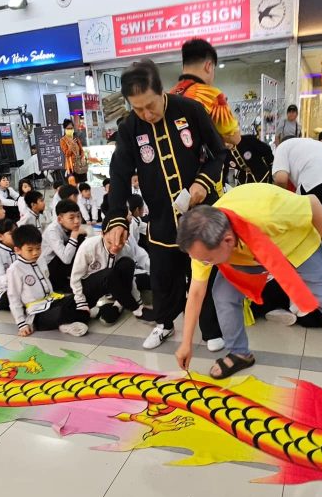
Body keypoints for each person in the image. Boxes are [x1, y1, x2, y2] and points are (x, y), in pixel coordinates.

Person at [174, 184, 322, 389]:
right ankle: (240, 353)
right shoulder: (202, 243)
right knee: (222, 294)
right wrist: (186, 343)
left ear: (228, 240)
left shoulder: (267, 212)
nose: (203, 264)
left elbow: (313, 204)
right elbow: (195, 293)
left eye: (207, 260)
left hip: (296, 246)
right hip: (245, 258)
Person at [104, 59, 226, 351]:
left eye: (150, 105)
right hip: (160, 220)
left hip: (199, 215)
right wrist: (116, 218)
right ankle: (164, 325)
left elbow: (218, 154)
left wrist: (202, 184)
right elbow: (119, 175)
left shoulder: (190, 111)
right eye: (137, 108)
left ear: (162, 92)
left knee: (204, 273)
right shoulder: (131, 128)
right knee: (163, 277)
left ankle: (210, 329)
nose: (146, 114)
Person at [7, 225, 88, 337]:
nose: (35, 253)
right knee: (62, 312)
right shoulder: (15, 269)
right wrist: (22, 324)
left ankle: (65, 322)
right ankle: (64, 323)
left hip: (52, 301)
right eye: (30, 250)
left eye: (38, 248)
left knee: (79, 300)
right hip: (37, 313)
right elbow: (13, 298)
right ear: (18, 250)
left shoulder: (40, 260)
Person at [70, 225, 152, 324]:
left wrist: (138, 300)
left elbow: (131, 276)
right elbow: (75, 278)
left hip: (113, 288)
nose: (115, 247)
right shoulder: (89, 246)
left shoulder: (126, 248)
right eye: (110, 242)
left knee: (128, 263)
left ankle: (120, 303)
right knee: (109, 275)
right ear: (103, 233)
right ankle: (132, 307)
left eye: (121, 242)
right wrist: (81, 301)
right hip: (89, 287)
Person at [169, 38, 241, 148]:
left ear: (184, 66)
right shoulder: (212, 95)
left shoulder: (170, 94)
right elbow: (235, 138)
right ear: (208, 66)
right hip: (201, 164)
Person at [272, 137, 322, 219]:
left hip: (315, 182)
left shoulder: (282, 147)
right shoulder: (312, 143)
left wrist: (278, 201)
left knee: (301, 218)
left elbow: (281, 179)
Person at [42, 199, 87, 292]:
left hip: (60, 262)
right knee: (76, 238)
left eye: (78, 216)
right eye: (71, 218)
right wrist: (74, 235)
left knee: (80, 238)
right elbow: (66, 259)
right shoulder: (52, 231)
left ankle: (76, 276)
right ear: (60, 219)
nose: (77, 221)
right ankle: (62, 284)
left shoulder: (69, 227)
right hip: (49, 268)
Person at [61, 119, 89, 184]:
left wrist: (82, 157)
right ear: (65, 129)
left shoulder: (76, 137)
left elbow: (81, 150)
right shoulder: (63, 140)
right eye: (68, 128)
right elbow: (67, 154)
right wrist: (71, 145)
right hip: (71, 166)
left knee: (82, 183)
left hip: (80, 165)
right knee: (74, 185)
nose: (70, 130)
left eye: (71, 128)